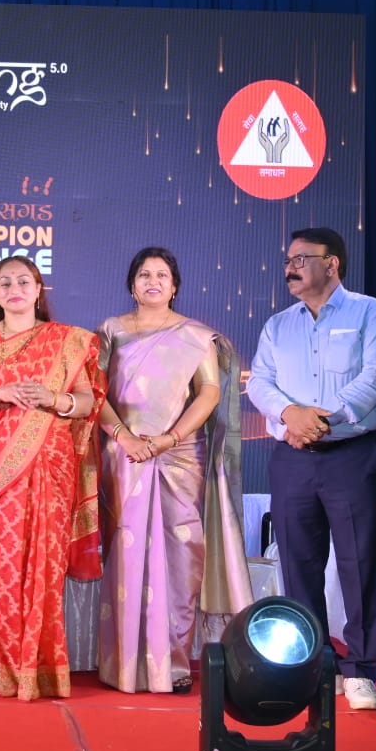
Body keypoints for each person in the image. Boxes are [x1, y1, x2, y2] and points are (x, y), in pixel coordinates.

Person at [95, 247, 252, 694]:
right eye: (144, 275)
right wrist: (125, 437)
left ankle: (174, 665)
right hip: (125, 456)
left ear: (174, 286)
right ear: (132, 285)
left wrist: (169, 438)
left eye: (162, 275)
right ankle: (123, 665)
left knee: (182, 558)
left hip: (179, 456)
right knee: (126, 556)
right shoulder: (111, 331)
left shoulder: (195, 336)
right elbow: (94, 390)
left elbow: (208, 393)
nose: (153, 281)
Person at [247, 227, 376, 711]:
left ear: (332, 263)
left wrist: (320, 420)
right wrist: (291, 416)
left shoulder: (370, 313)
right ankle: (316, 664)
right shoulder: (277, 325)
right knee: (299, 564)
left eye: (301, 259)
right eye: (288, 260)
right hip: (293, 458)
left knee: (359, 562)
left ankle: (362, 669)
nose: (290, 268)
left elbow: (375, 377)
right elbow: (260, 382)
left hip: (351, 454)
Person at [0, 255, 106, 701]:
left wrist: (53, 398)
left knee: (43, 565)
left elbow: (86, 403)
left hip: (49, 465)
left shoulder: (68, 341)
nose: (15, 289)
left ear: (38, 289)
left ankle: (35, 670)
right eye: (5, 283)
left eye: (24, 281)